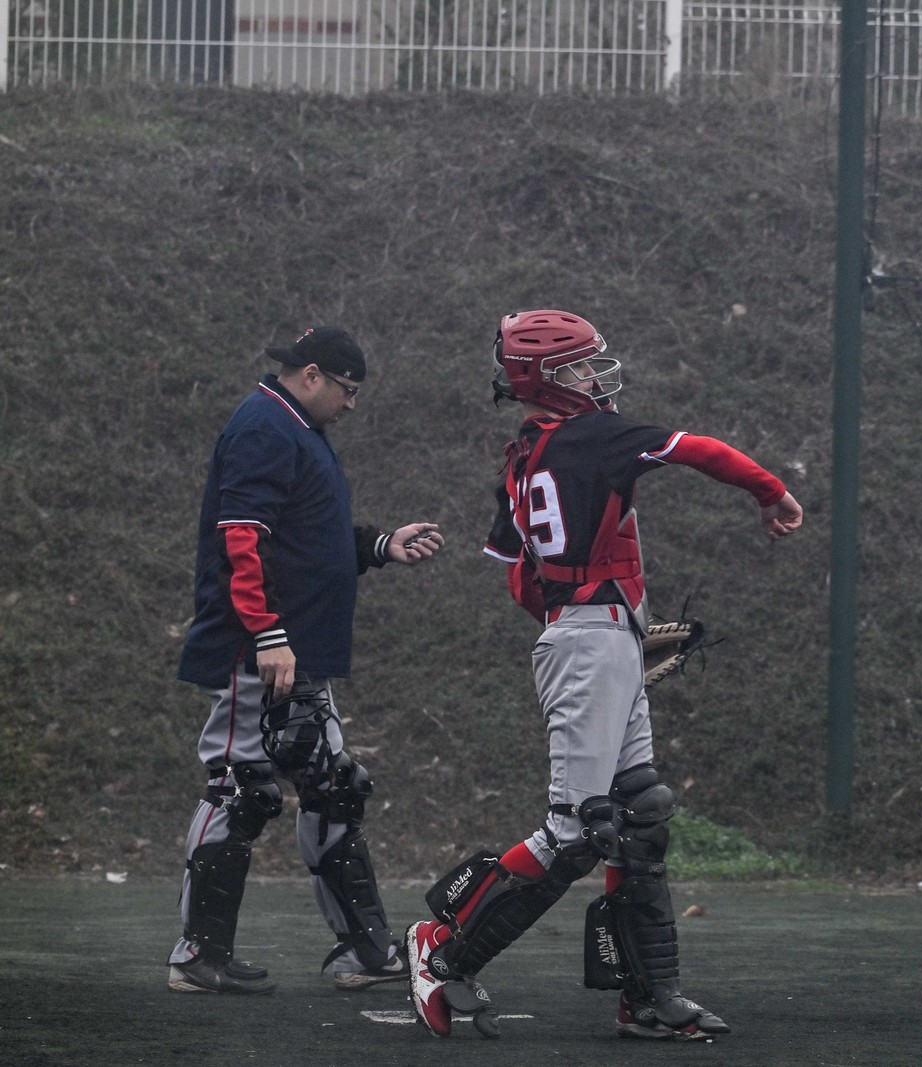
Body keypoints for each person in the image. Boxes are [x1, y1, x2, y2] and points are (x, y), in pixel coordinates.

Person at [405, 309, 802, 1041]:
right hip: (593, 641)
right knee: (575, 829)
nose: (596, 377)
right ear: (549, 378)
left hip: (593, 634)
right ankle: (444, 947)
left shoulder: (522, 453)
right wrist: (771, 493)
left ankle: (648, 995)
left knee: (639, 812)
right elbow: (701, 450)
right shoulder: (596, 433)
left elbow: (518, 576)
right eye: (582, 367)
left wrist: (597, 631)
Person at [168, 326, 445, 995]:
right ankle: (198, 955)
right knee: (241, 785)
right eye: (348, 390)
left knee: (333, 785)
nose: (351, 404)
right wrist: (265, 633)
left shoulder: (295, 428)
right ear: (313, 374)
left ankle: (366, 950)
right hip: (258, 649)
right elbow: (241, 539)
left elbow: (305, 541)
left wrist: (380, 544)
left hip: (297, 650)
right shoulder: (266, 425)